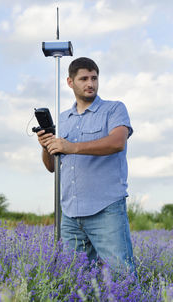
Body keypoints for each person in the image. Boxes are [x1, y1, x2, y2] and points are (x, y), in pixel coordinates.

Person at [37, 57, 135, 273]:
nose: (90, 83)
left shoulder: (114, 109)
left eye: (94, 78)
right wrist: (47, 146)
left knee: (122, 275)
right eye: (83, 79)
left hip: (106, 208)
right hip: (71, 214)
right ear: (70, 82)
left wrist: (72, 147)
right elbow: (52, 167)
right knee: (74, 277)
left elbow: (117, 142)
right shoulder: (63, 120)